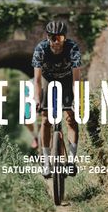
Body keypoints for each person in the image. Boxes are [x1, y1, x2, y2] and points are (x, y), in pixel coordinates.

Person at [32, 21, 81, 177]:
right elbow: (37, 80)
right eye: (53, 38)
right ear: (48, 37)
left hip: (67, 80)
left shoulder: (72, 48)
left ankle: (71, 161)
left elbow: (76, 80)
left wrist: (76, 100)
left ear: (64, 38)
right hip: (47, 80)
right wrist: (38, 99)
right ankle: (46, 162)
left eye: (59, 38)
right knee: (46, 119)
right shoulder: (41, 49)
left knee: (70, 118)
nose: (56, 42)